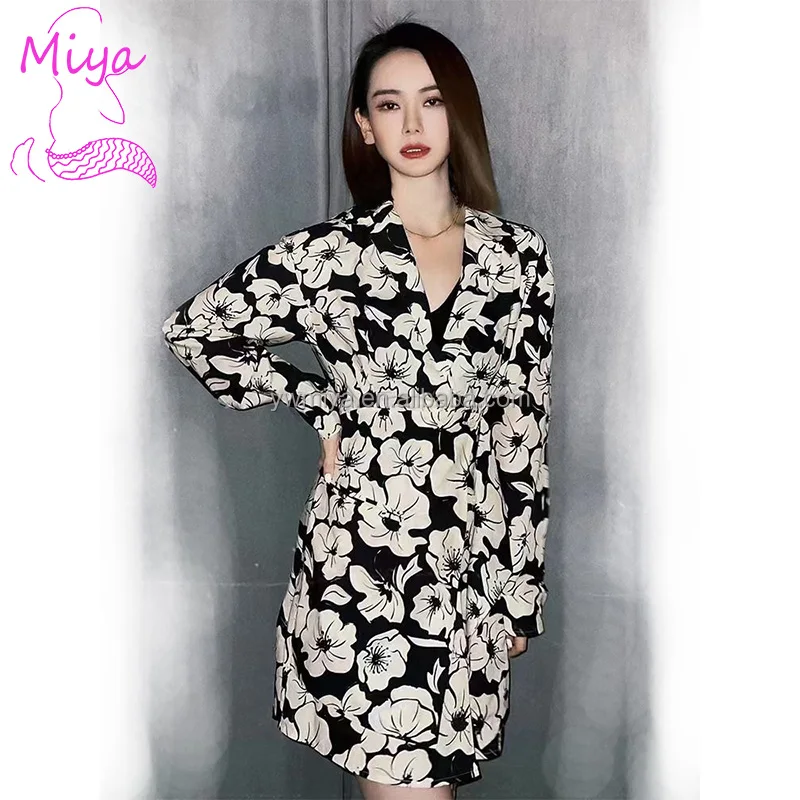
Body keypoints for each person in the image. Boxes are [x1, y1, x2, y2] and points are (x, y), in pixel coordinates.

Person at [161, 18, 555, 800]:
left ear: (457, 113)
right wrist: (318, 402)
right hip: (365, 560)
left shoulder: (518, 258)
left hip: (468, 568)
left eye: (431, 100)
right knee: (406, 784)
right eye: (389, 104)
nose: (412, 122)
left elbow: (523, 430)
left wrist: (520, 591)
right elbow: (196, 330)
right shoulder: (330, 256)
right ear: (365, 126)